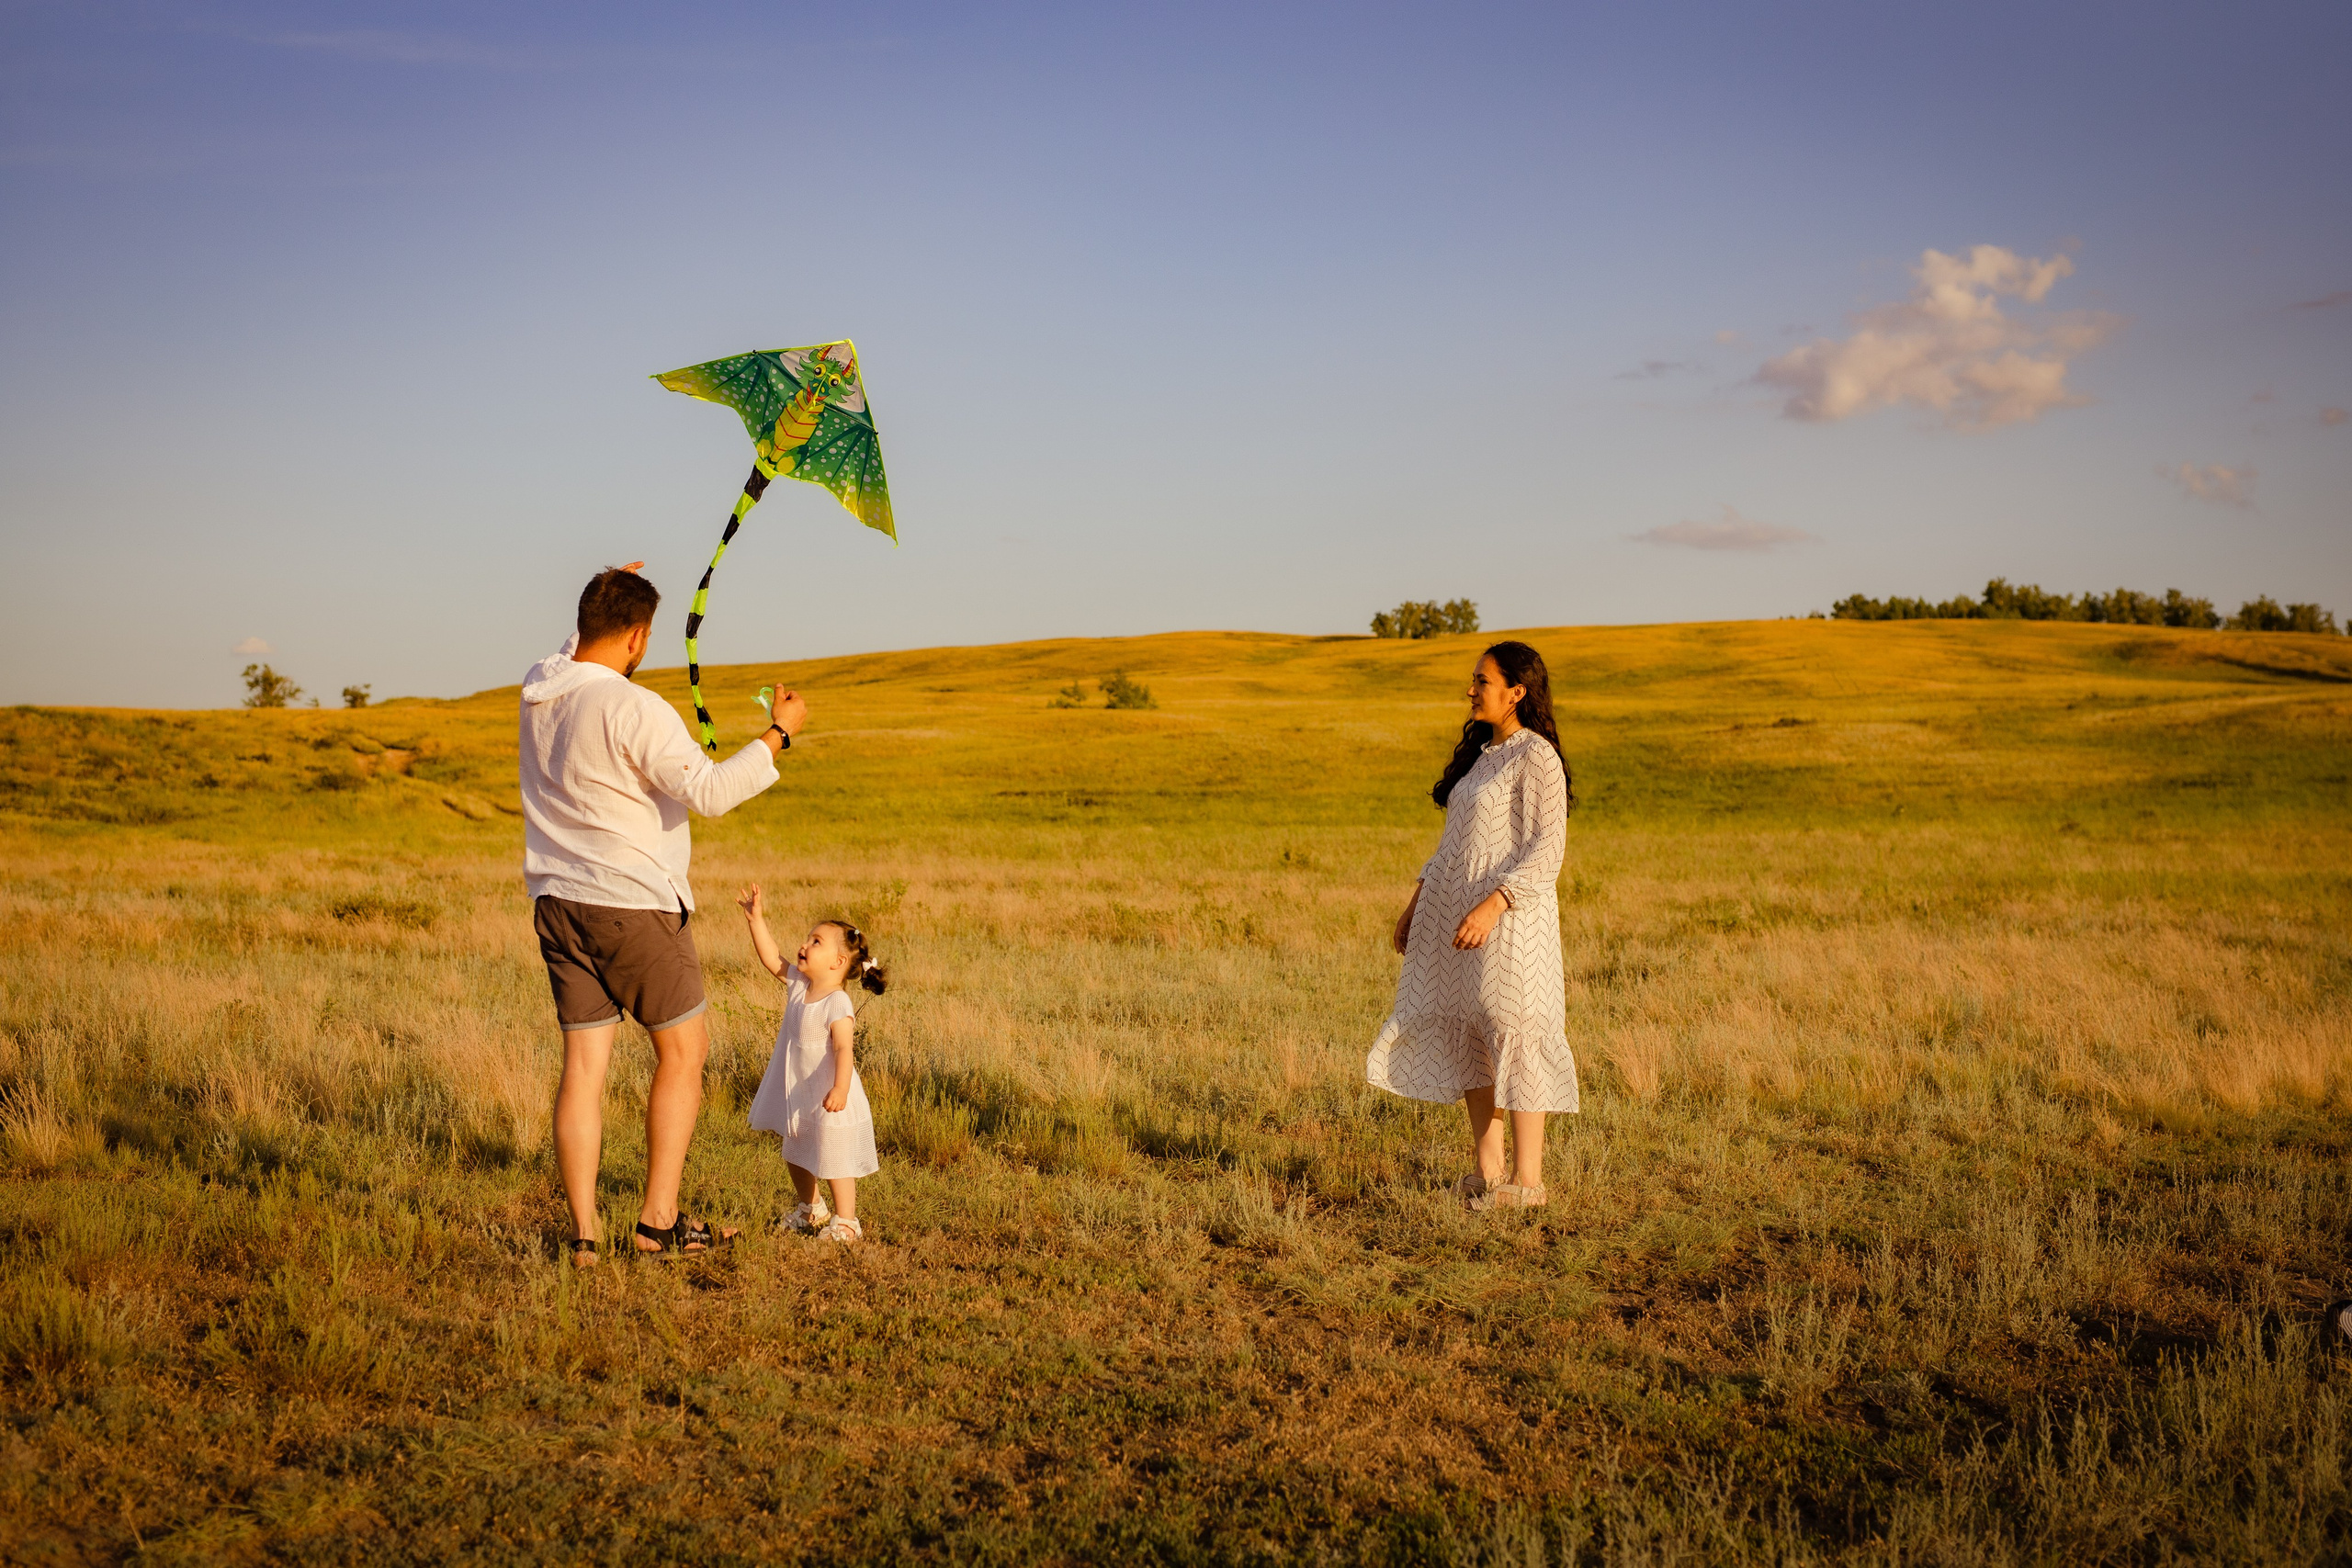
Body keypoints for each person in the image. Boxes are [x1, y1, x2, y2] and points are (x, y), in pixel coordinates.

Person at [520, 565, 808, 1266]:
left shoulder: (538, 685)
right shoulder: (636, 708)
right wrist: (781, 733)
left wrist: (609, 589)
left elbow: (573, 648)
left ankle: (585, 1238)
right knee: (684, 1052)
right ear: (640, 638)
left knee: (583, 1068)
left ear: (586, 622)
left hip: (557, 901)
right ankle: (656, 1223)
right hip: (634, 903)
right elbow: (709, 792)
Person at [1366, 640, 1577, 1211]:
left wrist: (1494, 905)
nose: (1470, 690)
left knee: (1517, 1027)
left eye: (1481, 682)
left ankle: (1529, 1183)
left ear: (1516, 692)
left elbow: (1546, 849)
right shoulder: (1484, 756)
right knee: (1473, 1034)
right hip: (1454, 919)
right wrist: (1417, 905)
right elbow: (1452, 847)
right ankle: (1488, 1172)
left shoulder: (1537, 757)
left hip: (1509, 921)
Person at [737, 887, 887, 1244]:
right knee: (795, 1148)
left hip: (831, 1092)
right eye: (808, 939)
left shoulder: (837, 1003)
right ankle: (810, 1207)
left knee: (833, 1156)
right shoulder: (800, 986)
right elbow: (772, 958)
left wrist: (841, 1088)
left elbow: (843, 1050)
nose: (804, 945)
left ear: (837, 962)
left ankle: (847, 1221)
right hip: (798, 1090)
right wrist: (756, 919)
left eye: (816, 941)